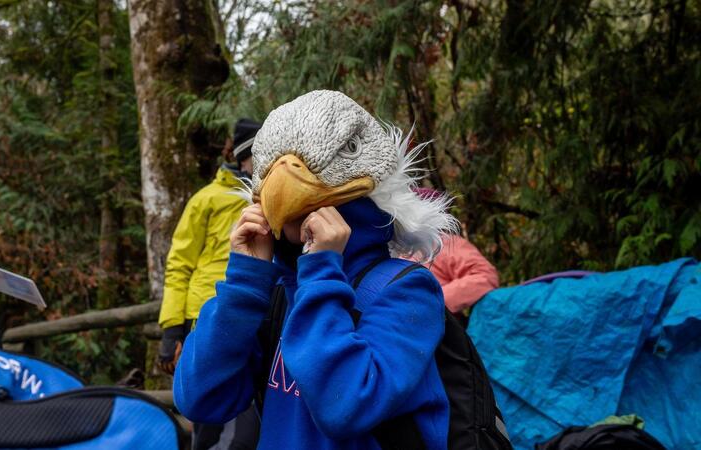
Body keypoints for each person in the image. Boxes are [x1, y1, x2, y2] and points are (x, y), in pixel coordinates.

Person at [174, 90, 455, 449]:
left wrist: (322, 270)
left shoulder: (407, 290)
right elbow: (200, 398)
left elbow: (346, 407)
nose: (284, 186)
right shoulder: (276, 293)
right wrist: (245, 283)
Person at [158, 118, 262, 450]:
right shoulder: (207, 199)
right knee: (208, 424)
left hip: (256, 316)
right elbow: (179, 264)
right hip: (204, 318)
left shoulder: (274, 195)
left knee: (248, 427)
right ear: (242, 156)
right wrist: (172, 328)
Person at [408, 187, 499, 314]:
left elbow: (484, 276)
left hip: (435, 327)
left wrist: (431, 303)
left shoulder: (446, 244)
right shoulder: (389, 247)